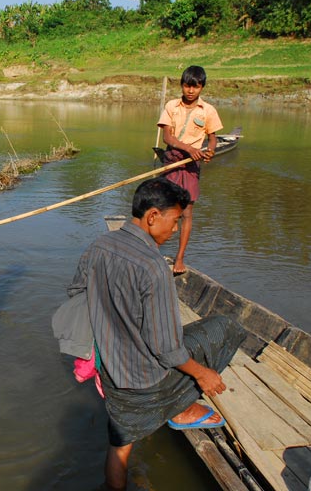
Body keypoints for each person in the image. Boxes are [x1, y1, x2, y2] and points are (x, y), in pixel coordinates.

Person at [68, 178, 244, 491]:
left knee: (120, 446)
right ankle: (183, 406)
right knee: (223, 328)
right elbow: (167, 350)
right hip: (144, 380)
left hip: (111, 373)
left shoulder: (99, 246)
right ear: (152, 217)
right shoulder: (152, 266)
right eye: (175, 221)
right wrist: (203, 375)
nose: (176, 230)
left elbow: (76, 297)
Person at [158, 65, 223, 275]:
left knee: (186, 212)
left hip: (192, 166)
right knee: (164, 206)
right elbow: (167, 137)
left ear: (202, 87)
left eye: (195, 87)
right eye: (187, 86)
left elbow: (212, 138)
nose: (190, 91)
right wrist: (188, 148)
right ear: (182, 86)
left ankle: (179, 258)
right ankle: (153, 248)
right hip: (173, 159)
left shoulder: (208, 111)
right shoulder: (172, 106)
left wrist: (209, 152)